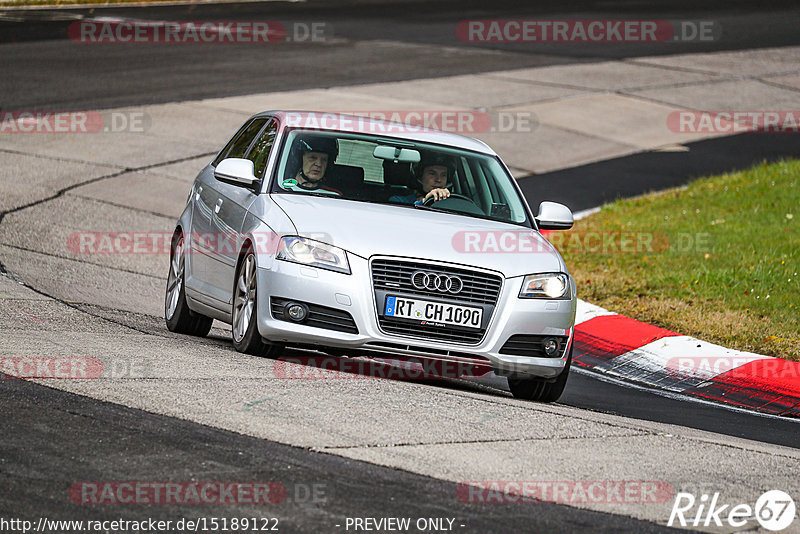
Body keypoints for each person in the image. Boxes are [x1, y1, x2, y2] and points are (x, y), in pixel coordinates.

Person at [389, 153, 454, 205]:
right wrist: (424, 201)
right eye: (432, 174)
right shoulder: (398, 201)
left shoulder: (454, 204)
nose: (438, 179)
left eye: (443, 175)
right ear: (420, 176)